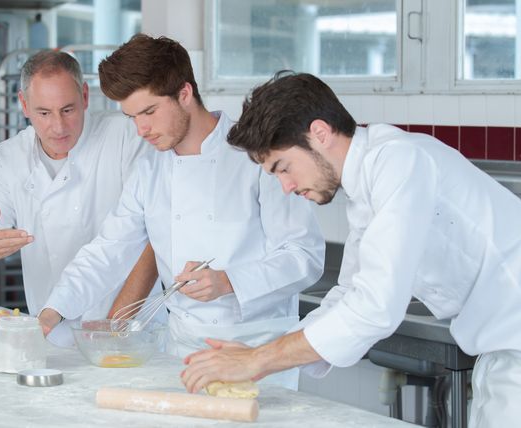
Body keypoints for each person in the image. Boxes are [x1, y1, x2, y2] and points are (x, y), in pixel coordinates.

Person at [180, 71, 521, 427]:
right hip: (503, 351)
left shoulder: (399, 161)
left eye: (284, 168)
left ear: (320, 133)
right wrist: (260, 355)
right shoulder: (367, 184)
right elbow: (348, 292)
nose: (286, 186)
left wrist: (259, 360)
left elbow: (375, 305)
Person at [38, 35, 325, 390]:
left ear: (185, 94)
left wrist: (228, 281)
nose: (141, 130)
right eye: (132, 117)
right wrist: (52, 312)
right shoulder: (149, 170)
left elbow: (304, 256)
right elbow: (106, 251)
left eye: (149, 112)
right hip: (182, 353)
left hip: (257, 355)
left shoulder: (257, 156)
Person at [0, 50, 158, 346]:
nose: (58, 127)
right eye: (44, 113)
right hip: (51, 334)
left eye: (68, 110)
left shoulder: (127, 137)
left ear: (85, 96)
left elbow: (151, 241)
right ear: (24, 104)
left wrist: (115, 325)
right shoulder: (6, 159)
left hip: (134, 333)